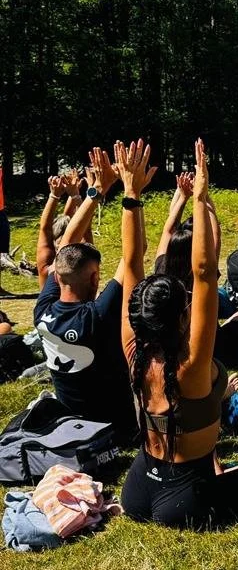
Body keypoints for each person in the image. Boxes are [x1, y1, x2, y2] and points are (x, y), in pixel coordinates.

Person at [119, 138, 238, 529]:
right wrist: (203, 198)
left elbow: (131, 262)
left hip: (136, 489)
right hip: (187, 500)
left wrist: (131, 193)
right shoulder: (190, 363)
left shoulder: (133, 350)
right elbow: (204, 272)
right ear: (182, 313)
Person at [33, 147, 138, 446]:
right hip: (115, 428)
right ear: (94, 278)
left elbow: (66, 245)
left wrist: (96, 191)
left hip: (71, 422)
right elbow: (131, 260)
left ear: (58, 276)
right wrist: (131, 192)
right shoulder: (96, 316)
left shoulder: (43, 309)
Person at [154, 172, 238, 365]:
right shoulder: (203, 273)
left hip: (170, 345)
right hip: (209, 349)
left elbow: (168, 230)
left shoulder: (161, 266)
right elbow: (215, 231)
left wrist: (182, 197)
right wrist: (202, 196)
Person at [36, 169, 87, 287]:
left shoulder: (48, 270)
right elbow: (84, 227)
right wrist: (75, 194)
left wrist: (54, 195)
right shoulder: (84, 266)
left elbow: (45, 228)